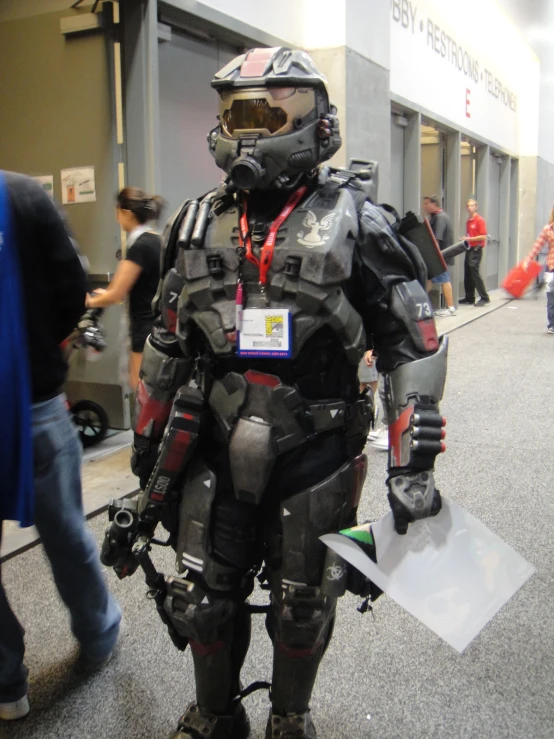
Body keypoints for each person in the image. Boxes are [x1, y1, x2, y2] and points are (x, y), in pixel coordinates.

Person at [101, 47, 447, 739]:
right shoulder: (195, 222)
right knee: (203, 596)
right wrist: (148, 456)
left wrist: (414, 465)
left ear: (315, 119)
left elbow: (413, 341)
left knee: (303, 603)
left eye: (272, 110)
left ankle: (290, 716)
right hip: (212, 443)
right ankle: (215, 712)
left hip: (316, 444)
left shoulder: (360, 218)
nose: (253, 127)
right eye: (240, 110)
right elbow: (169, 344)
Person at [0, 171, 121, 721]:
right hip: (31, 401)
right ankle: (97, 633)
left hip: (33, 401)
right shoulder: (21, 196)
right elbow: (73, 291)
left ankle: (5, 683)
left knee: (67, 531)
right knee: (66, 531)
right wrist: (45, 356)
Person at [86, 187, 164, 390]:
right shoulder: (156, 239)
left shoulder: (140, 246)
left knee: (141, 390)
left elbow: (116, 293)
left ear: (126, 213)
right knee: (152, 393)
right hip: (158, 326)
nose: (116, 218)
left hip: (145, 330)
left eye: (117, 212)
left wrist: (89, 301)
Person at [423, 195, 456, 316]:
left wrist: (434, 256)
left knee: (444, 280)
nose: (424, 207)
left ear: (434, 204)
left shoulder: (440, 218)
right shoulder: (437, 217)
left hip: (441, 255)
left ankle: (451, 308)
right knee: (429, 279)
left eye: (427, 204)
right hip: (441, 254)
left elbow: (436, 239)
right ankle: (422, 303)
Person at [522, 205, 554, 333]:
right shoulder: (548, 229)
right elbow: (537, 245)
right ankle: (551, 324)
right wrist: (527, 260)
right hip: (551, 267)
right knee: (551, 297)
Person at [460, 198, 490, 306]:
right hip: (470, 249)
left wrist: (469, 239)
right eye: (468, 206)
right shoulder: (469, 221)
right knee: (468, 273)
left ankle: (484, 297)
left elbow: (483, 236)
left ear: (476, 207)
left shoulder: (479, 220)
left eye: (472, 206)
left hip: (476, 249)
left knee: (475, 273)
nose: (470, 208)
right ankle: (469, 297)